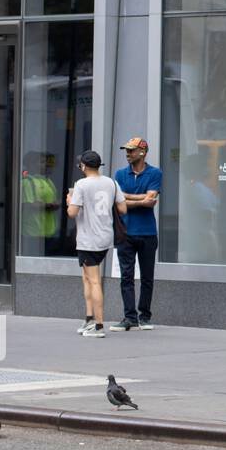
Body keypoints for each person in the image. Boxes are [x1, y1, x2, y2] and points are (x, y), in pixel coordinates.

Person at [67, 150, 126, 338]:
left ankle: (99, 325)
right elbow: (122, 208)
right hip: (105, 237)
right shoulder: (111, 182)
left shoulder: (81, 185)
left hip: (88, 239)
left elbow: (72, 213)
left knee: (93, 280)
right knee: (87, 278)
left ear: (83, 166)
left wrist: (70, 200)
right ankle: (89, 318)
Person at [111, 137, 162, 332]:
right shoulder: (120, 174)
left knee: (147, 277)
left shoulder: (155, 173)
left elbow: (151, 199)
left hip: (148, 232)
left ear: (143, 152)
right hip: (125, 232)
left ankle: (145, 316)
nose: (127, 154)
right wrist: (142, 199)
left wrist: (126, 197)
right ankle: (130, 317)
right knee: (126, 276)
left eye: (131, 150)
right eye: (127, 150)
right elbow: (119, 202)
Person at [20, 151, 61, 256]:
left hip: (49, 232)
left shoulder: (48, 181)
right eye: (41, 162)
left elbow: (55, 201)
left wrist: (56, 204)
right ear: (31, 164)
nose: (45, 164)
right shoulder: (27, 181)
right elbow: (30, 204)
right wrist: (49, 205)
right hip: (33, 233)